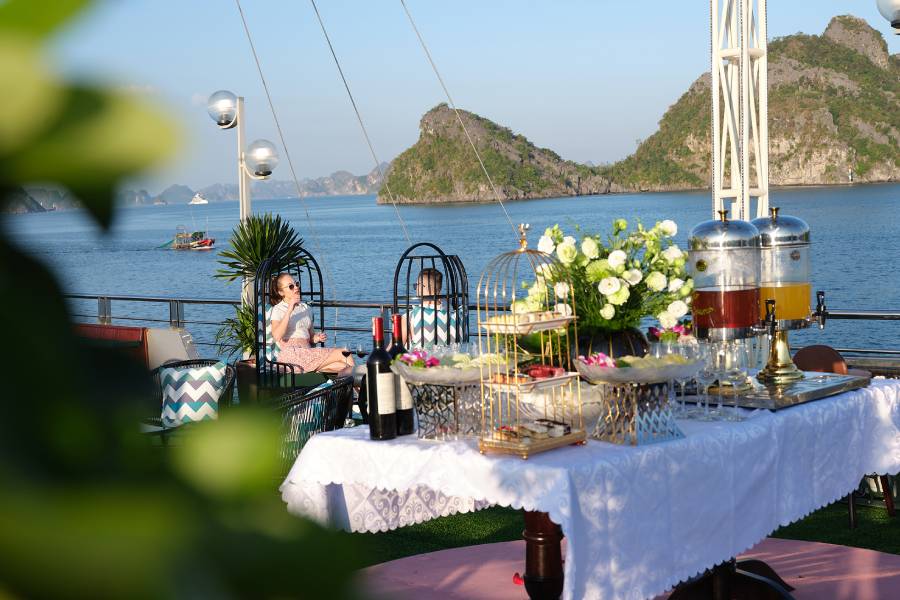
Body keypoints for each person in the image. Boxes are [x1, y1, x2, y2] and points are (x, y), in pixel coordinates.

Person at [269, 273, 353, 376]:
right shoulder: (278, 309)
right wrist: (290, 309)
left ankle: (317, 370)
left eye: (296, 284)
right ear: (281, 292)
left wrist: (317, 338)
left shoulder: (306, 308)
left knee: (343, 366)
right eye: (291, 286)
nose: (296, 288)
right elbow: (277, 336)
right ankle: (362, 385)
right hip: (292, 355)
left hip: (307, 351)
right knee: (344, 353)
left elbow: (311, 337)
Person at [402, 267, 459, 348]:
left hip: (420, 355)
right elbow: (442, 301)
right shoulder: (450, 311)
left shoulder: (410, 316)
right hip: (448, 354)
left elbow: (395, 347)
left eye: (417, 285)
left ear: (421, 287)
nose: (416, 289)